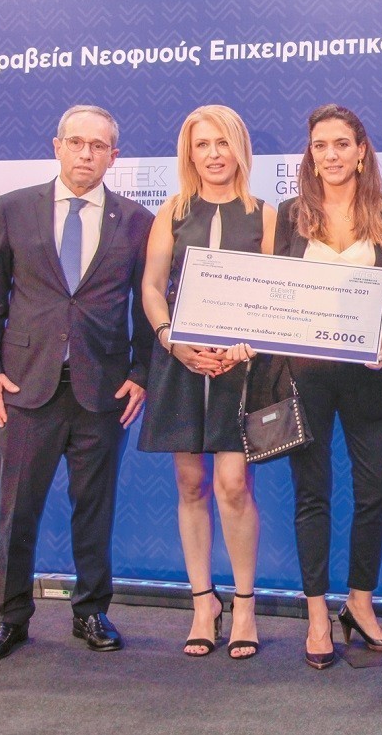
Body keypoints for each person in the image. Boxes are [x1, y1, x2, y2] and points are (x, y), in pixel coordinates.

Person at [0, 104, 155, 661]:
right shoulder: (14, 208)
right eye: (76, 142)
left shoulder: (136, 220)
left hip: (102, 391)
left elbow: (146, 308)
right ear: (57, 146)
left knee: (94, 508)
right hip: (26, 388)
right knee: (16, 510)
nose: (85, 154)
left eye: (98, 146)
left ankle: (91, 611)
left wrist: (141, 373)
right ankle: (9, 617)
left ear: (113, 156)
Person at [265, 104, 382, 669]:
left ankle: (359, 603)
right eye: (320, 145)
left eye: (341, 144)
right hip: (304, 376)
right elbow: (274, 293)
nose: (330, 155)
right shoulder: (290, 214)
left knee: (375, 489)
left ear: (361, 151)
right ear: (310, 153)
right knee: (312, 493)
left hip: (371, 374)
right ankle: (315, 615)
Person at [138, 105, 277, 659]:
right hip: (180, 360)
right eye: (202, 145)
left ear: (239, 148)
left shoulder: (265, 214)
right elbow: (152, 287)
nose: (214, 154)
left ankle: (244, 605)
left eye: (223, 143)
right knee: (190, 481)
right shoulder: (171, 211)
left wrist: (250, 341)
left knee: (233, 485)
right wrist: (172, 339)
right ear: (189, 153)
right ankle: (203, 603)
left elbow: (275, 293)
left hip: (241, 366)